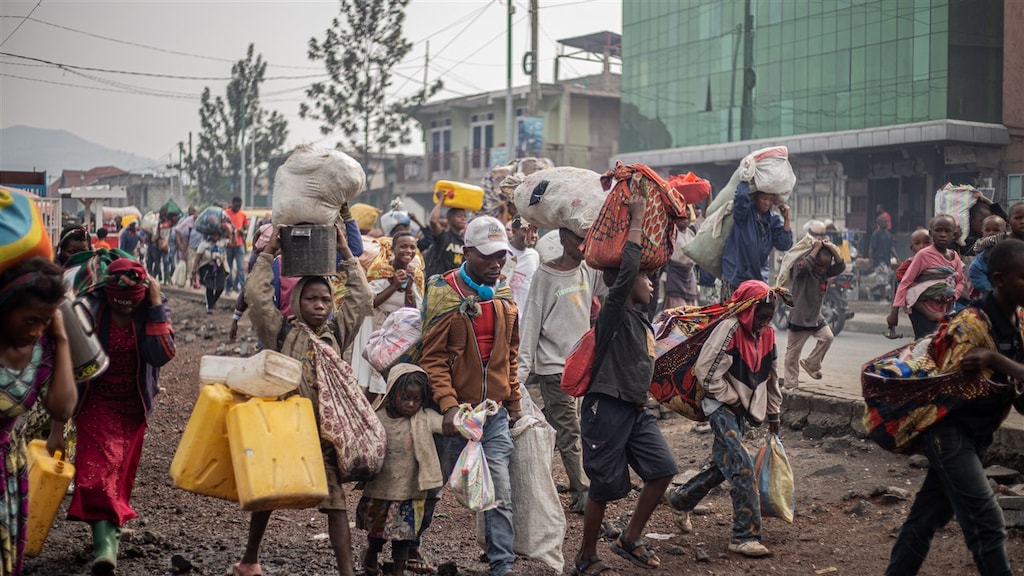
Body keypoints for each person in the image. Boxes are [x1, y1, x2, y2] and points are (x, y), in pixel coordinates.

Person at [884, 238, 1024, 576]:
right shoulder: (968, 325)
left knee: (924, 519)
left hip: (976, 437)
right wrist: (1007, 369)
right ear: (1000, 278)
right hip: (949, 433)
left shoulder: (1018, 323)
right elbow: (947, 389)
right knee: (987, 523)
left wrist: (996, 361)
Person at [239, 225, 373, 576]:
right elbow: (256, 295)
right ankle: (250, 559)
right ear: (298, 300)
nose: (319, 305)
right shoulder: (280, 331)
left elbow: (362, 299)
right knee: (268, 495)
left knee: (336, 506)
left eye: (325, 300)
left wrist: (346, 252)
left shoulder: (336, 334)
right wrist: (268, 253)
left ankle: (347, 573)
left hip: (326, 436)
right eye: (312, 299)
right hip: (287, 431)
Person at [571, 195, 679, 576]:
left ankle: (629, 538)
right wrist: (636, 217)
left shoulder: (640, 318)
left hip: (634, 409)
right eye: (645, 278)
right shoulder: (612, 313)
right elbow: (629, 264)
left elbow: (648, 265)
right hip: (606, 407)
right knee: (602, 485)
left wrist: (667, 226)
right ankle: (586, 556)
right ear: (623, 282)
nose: (650, 283)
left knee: (664, 469)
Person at [419, 216, 522, 576]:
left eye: (502, 256)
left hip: (491, 415)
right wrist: (448, 407)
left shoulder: (504, 298)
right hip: (453, 417)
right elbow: (432, 359)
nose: (497, 263)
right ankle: (409, 547)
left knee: (500, 493)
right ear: (467, 253)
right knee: (431, 487)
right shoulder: (445, 294)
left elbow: (511, 355)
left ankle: (502, 565)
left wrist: (514, 405)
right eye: (489, 256)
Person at [70, 258, 175, 575]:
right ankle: (105, 550)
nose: (126, 309)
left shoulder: (151, 308)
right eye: (119, 304)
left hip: (133, 407)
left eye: (132, 304)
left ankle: (105, 544)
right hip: (94, 403)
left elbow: (162, 353)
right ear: (107, 295)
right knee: (95, 476)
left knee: (116, 478)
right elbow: (67, 355)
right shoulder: (88, 310)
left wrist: (155, 304)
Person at [668, 280, 783, 559]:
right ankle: (744, 536)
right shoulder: (729, 329)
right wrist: (732, 399)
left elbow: (772, 376)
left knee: (723, 466)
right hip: (721, 408)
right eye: (762, 314)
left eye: (770, 315)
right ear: (748, 310)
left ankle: (680, 499)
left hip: (743, 409)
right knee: (742, 467)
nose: (765, 321)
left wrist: (774, 414)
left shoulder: (768, 334)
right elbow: (705, 373)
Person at [517, 227, 603, 515]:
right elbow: (530, 323)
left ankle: (556, 480)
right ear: (563, 240)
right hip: (555, 368)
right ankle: (583, 491)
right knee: (571, 430)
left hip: (582, 366)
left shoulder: (588, 271)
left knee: (570, 428)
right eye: (578, 239)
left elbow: (615, 281)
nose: (582, 244)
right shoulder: (545, 276)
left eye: (585, 239)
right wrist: (520, 373)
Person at [1, 258, 78, 576]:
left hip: (6, 465)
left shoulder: (43, 348)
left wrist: (60, 340)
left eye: (45, 322)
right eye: (30, 320)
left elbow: (62, 408)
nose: (36, 331)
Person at [356, 364, 447, 576]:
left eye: (417, 400)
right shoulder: (378, 419)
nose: (411, 404)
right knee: (376, 534)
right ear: (391, 394)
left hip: (410, 493)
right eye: (405, 398)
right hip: (381, 491)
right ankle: (370, 556)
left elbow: (445, 425)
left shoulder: (424, 418)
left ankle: (398, 571)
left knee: (404, 537)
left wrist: (466, 422)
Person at [352, 231, 424, 397]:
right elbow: (369, 303)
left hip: (396, 331)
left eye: (412, 247)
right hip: (373, 324)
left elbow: (412, 310)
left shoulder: (416, 274)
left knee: (387, 378)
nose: (408, 251)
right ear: (393, 249)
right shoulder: (380, 270)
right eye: (403, 246)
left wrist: (409, 288)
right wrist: (394, 285)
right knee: (369, 377)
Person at [783, 229, 845, 388]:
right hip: (799, 317)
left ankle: (812, 364)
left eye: (826, 267)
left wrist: (830, 248)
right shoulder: (802, 272)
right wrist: (816, 248)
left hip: (816, 317)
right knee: (792, 354)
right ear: (813, 261)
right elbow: (803, 267)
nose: (822, 270)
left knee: (827, 337)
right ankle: (790, 385)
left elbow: (840, 266)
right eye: (820, 266)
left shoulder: (823, 273)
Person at [887, 215, 965, 339]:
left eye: (947, 231)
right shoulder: (923, 255)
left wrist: (953, 295)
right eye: (938, 230)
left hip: (943, 309)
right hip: (922, 311)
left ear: (953, 234)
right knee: (925, 343)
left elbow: (961, 281)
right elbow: (905, 282)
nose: (942, 234)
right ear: (931, 233)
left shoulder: (954, 256)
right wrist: (894, 312)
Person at [721, 181, 793, 301]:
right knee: (731, 316)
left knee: (756, 316)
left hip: (758, 277)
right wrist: (746, 179)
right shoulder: (744, 213)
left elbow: (784, 244)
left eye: (770, 200)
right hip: (735, 273)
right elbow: (741, 197)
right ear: (755, 197)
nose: (767, 203)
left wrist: (786, 218)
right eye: (764, 198)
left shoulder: (773, 219)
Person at [969, 212, 1016, 297]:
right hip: (989, 291)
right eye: (987, 230)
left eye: (996, 230)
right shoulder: (981, 246)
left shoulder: (1010, 245)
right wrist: (990, 290)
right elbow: (975, 270)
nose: (991, 233)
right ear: (982, 232)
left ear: (1004, 232)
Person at [500, 215, 540, 311]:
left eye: (534, 231)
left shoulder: (534, 256)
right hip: (502, 312)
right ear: (514, 231)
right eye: (526, 230)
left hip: (522, 316)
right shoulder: (502, 251)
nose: (532, 235)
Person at [664, 208, 700, 309]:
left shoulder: (692, 232)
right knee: (678, 308)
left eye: (687, 218)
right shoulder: (672, 233)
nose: (685, 220)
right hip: (676, 274)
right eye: (682, 218)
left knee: (691, 308)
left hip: (689, 274)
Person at [422, 200, 467, 278]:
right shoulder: (443, 236)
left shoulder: (465, 242)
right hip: (440, 282)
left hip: (457, 282)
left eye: (464, 216)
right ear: (449, 219)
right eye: (459, 216)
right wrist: (441, 200)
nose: (463, 219)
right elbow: (433, 221)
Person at [191, 230, 229, 314]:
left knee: (220, 287)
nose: (215, 237)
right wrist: (194, 269)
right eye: (213, 235)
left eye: (217, 235)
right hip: (207, 267)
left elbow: (233, 244)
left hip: (220, 267)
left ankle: (213, 301)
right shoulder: (204, 245)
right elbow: (198, 257)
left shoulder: (222, 243)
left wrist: (231, 231)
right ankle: (210, 306)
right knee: (210, 286)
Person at [224, 196, 250, 293]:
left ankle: (241, 288)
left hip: (239, 244)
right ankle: (228, 287)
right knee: (229, 268)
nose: (238, 207)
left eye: (239, 206)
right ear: (232, 204)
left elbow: (246, 229)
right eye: (236, 205)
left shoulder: (243, 215)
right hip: (229, 245)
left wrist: (242, 231)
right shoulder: (226, 213)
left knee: (241, 268)